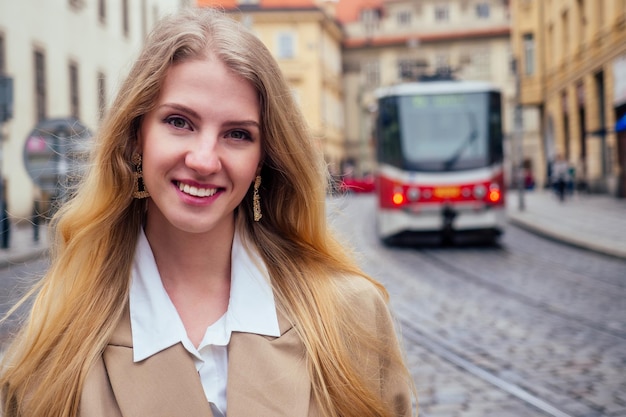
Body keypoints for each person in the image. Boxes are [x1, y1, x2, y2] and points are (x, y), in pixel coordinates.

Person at [0, 8, 416, 417]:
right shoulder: (57, 338)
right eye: (180, 122)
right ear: (134, 138)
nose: (204, 159)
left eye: (238, 134)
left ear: (262, 159)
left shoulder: (352, 316)